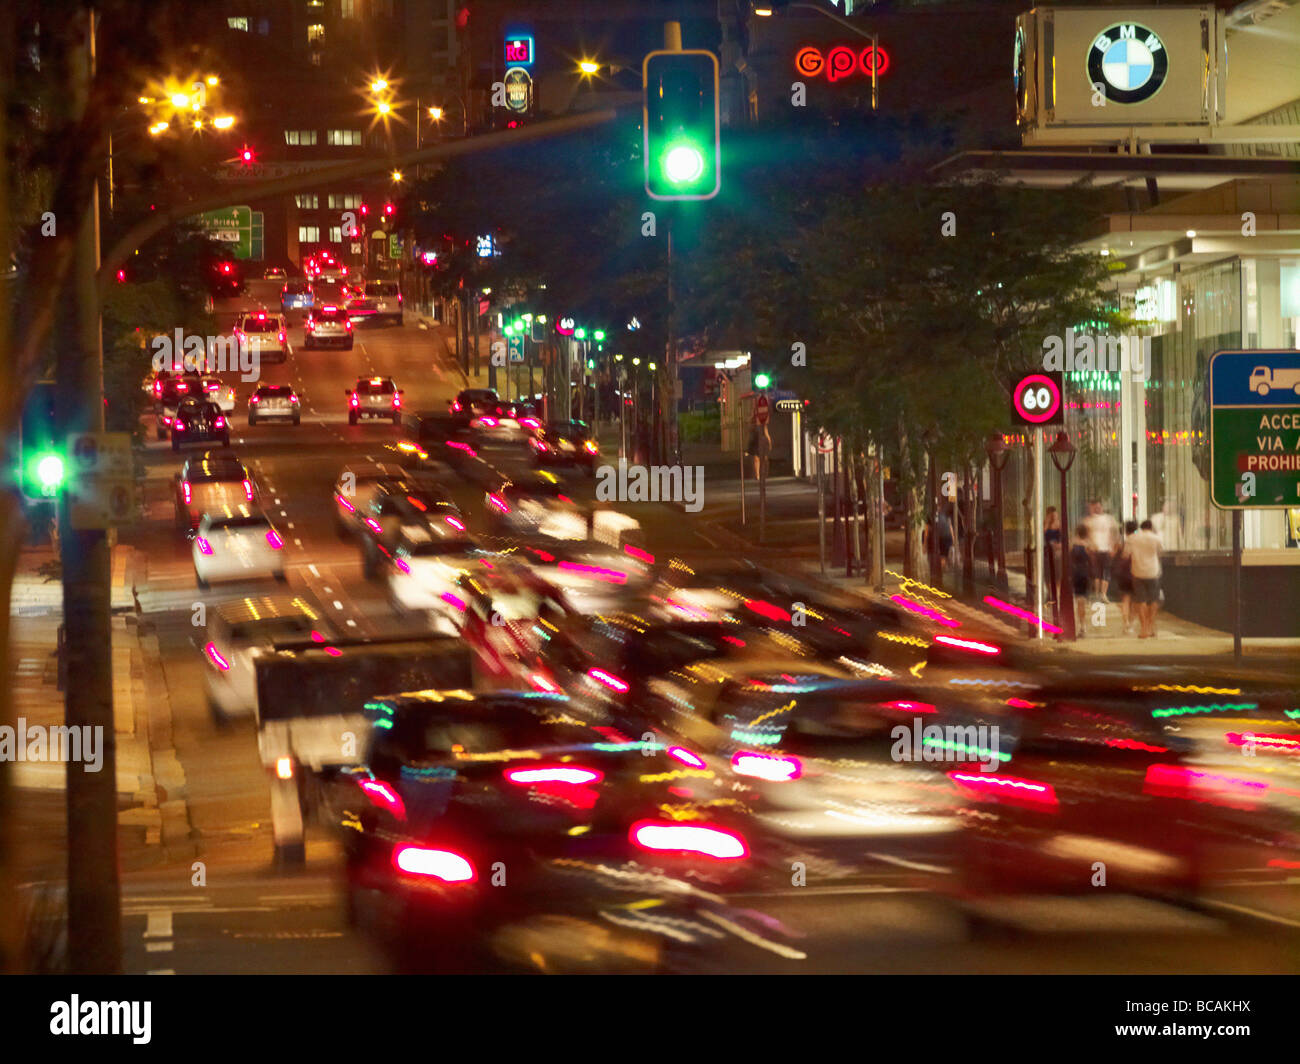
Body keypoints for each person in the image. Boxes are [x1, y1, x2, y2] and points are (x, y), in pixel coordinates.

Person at [1123, 519, 1164, 639]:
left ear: (1140, 527)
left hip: (1137, 572)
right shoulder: (1156, 538)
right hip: (1153, 572)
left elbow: (1126, 554)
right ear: (1151, 527)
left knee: (1140, 601)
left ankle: (1144, 629)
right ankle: (1151, 626)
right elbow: (1161, 551)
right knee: (1153, 600)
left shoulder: (1132, 538)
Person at [1083, 500, 1118, 603]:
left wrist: (1113, 547)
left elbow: (1114, 533)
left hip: (1106, 549)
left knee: (1105, 572)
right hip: (1095, 550)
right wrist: (1088, 547)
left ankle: (1103, 594)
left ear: (1102, 507)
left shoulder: (1108, 519)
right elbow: (1086, 535)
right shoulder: (1089, 520)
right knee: (1096, 573)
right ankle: (1098, 593)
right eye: (1095, 507)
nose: (1097, 509)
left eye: (1099, 507)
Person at [1113, 520, 1137, 634]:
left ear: (1126, 531)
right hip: (1137, 573)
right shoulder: (1138, 540)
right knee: (1134, 601)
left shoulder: (1125, 542)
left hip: (1125, 574)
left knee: (1126, 600)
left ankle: (1126, 623)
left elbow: (1124, 556)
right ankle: (1131, 625)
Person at [1070, 523, 1091, 636]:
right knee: (1082, 600)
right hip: (1084, 572)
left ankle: (1080, 625)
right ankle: (1083, 625)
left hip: (1075, 573)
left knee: (1078, 600)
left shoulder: (1073, 543)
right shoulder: (1088, 544)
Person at [1043, 506, 1061, 604]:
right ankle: (1050, 593)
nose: (1053, 516)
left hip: (1057, 552)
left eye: (1054, 513)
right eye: (1050, 514)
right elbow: (1042, 533)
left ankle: (1057, 594)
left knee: (1057, 573)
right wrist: (1047, 522)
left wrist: (1058, 545)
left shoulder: (1059, 524)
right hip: (1047, 551)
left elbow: (1064, 538)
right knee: (1048, 573)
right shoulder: (1045, 523)